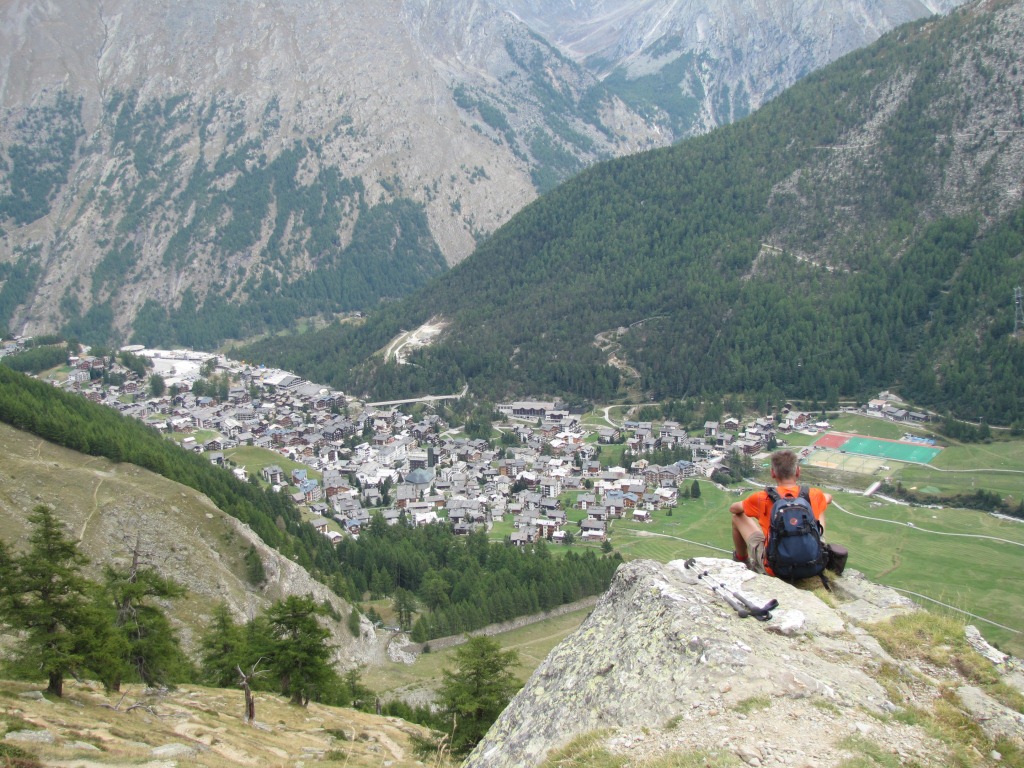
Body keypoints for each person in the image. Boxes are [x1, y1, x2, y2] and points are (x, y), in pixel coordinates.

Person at [729, 449, 832, 576]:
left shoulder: (761, 497)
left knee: (737, 517)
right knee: (820, 508)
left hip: (775, 568)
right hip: (812, 561)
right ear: (798, 471)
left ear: (773, 473)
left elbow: (733, 509)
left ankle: (742, 561)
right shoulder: (814, 494)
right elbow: (829, 498)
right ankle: (819, 544)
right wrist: (824, 497)